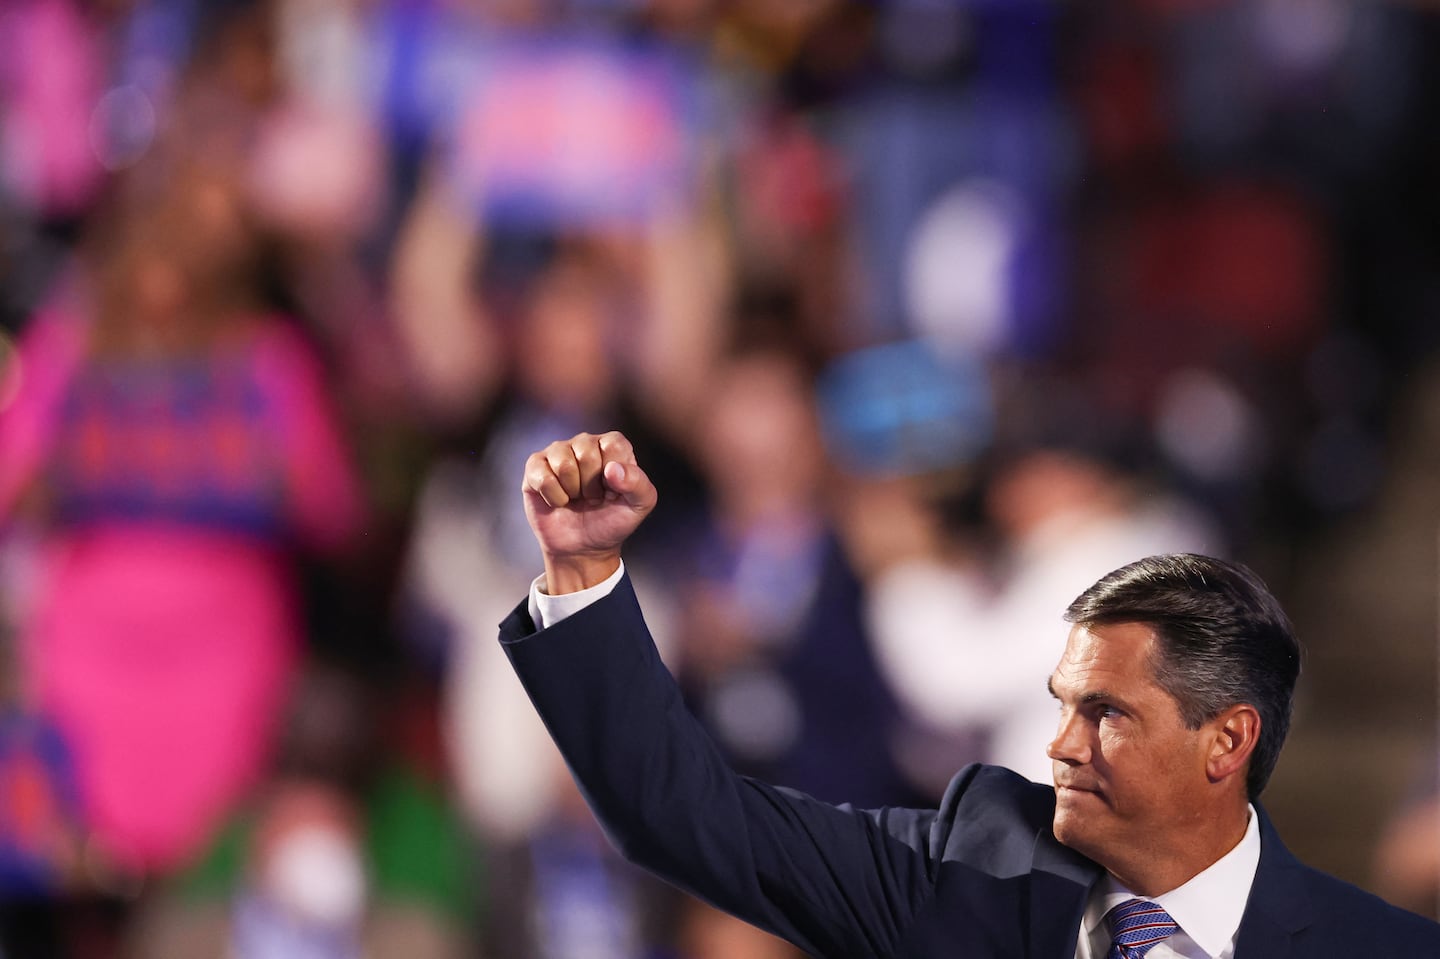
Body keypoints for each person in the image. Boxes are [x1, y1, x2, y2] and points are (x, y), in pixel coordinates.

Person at [499, 431, 1440, 958]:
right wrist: (583, 571)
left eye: (1106, 714)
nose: (1061, 744)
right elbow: (679, 814)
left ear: (1227, 741)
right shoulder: (968, 872)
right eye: (1063, 704)